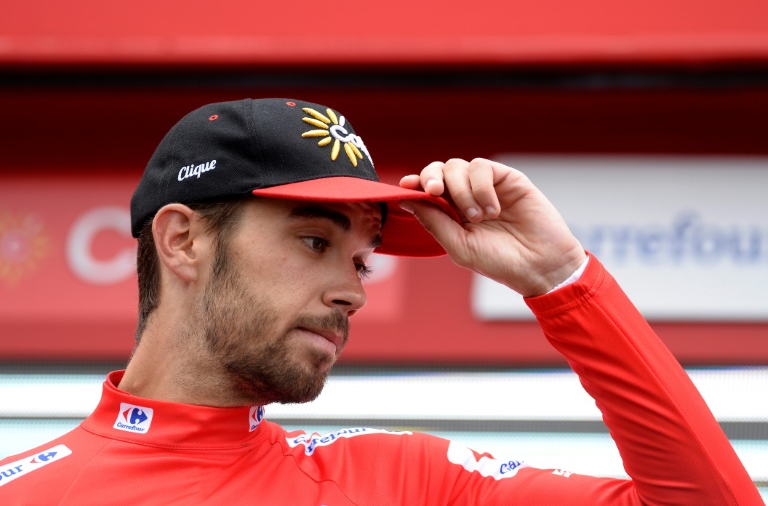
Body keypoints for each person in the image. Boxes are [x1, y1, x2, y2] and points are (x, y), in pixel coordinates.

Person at [0, 98, 761, 505]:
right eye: (314, 241)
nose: (354, 291)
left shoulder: (402, 480)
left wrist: (562, 281)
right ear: (183, 241)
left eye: (362, 259)